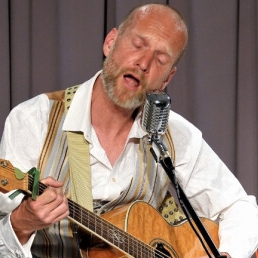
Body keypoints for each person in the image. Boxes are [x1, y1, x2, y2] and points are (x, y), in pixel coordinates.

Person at [0, 3, 257, 258]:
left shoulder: (175, 135)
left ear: (167, 79)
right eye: (138, 45)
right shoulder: (34, 120)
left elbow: (241, 208)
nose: (144, 63)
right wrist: (22, 223)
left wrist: (228, 254)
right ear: (110, 42)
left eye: (160, 58)